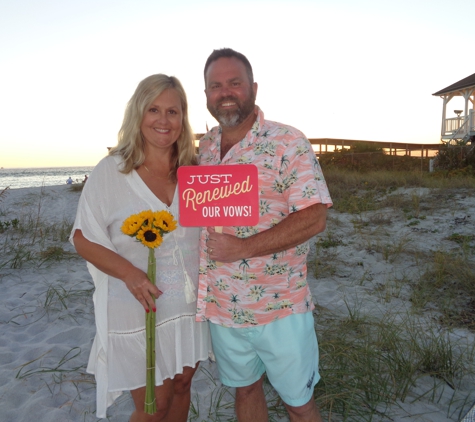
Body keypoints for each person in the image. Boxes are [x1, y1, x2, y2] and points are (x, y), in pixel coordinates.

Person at [197, 48, 333, 422]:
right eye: (215, 86)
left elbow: (315, 216)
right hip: (223, 308)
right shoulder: (205, 148)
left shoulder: (286, 141)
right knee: (245, 390)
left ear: (253, 88)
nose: (225, 93)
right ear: (206, 95)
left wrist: (243, 247)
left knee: (298, 403)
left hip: (279, 308)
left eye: (235, 83)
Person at [70, 74, 212, 421]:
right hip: (138, 306)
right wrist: (130, 274)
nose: (164, 121)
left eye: (173, 112)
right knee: (153, 405)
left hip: (189, 306)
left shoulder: (194, 172)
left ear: (183, 118)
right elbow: (82, 237)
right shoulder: (113, 171)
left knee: (182, 387)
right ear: (138, 113)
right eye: (154, 109)